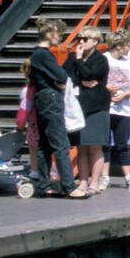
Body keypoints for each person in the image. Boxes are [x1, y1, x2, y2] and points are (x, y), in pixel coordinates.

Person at [28, 19, 88, 199]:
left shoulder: (37, 55)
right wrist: (58, 82)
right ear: (49, 33)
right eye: (59, 34)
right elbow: (61, 76)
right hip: (51, 99)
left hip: (43, 99)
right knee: (61, 143)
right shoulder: (44, 55)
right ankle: (69, 186)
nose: (60, 38)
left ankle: (44, 185)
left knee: (45, 145)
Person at [64, 26, 110, 194]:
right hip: (79, 107)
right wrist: (81, 79)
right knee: (81, 147)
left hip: (97, 106)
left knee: (95, 147)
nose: (81, 42)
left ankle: (95, 183)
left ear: (95, 42)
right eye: (79, 39)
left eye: (85, 39)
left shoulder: (101, 60)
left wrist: (79, 64)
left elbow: (91, 74)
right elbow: (66, 75)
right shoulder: (72, 57)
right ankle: (83, 182)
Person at [106, 30, 130, 193]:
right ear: (119, 46)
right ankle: (104, 177)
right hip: (106, 108)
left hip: (123, 109)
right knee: (104, 144)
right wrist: (105, 87)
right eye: (127, 45)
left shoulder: (129, 63)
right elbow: (97, 79)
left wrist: (125, 94)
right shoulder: (104, 59)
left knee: (123, 144)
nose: (129, 48)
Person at [16, 61, 40, 181]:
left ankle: (35, 171)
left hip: (34, 125)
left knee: (33, 148)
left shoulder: (27, 90)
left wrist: (20, 125)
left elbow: (24, 110)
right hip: (48, 124)